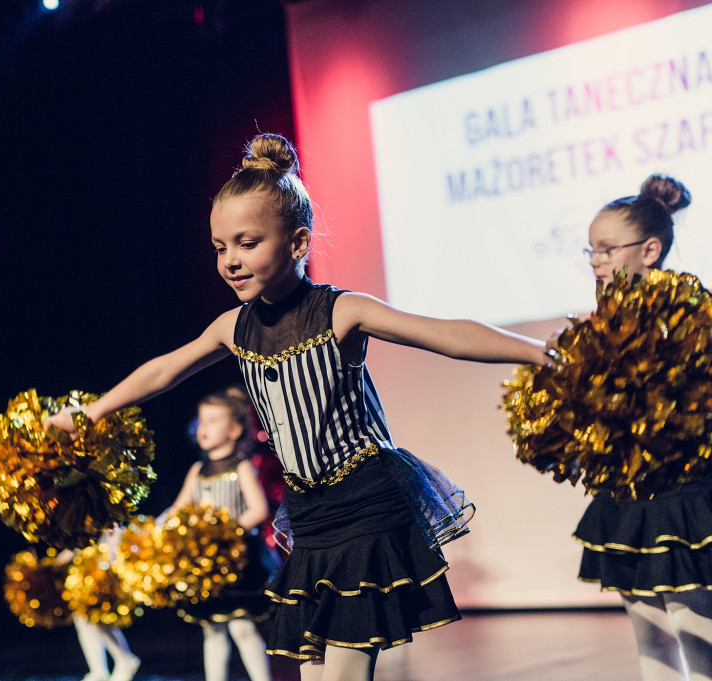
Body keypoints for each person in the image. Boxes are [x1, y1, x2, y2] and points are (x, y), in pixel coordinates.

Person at [47, 133, 547, 681]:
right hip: (309, 518)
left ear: (298, 242)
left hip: (365, 506)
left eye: (247, 243)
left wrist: (538, 353)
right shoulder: (232, 328)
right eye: (219, 248)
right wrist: (91, 413)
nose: (231, 261)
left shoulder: (342, 312)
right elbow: (164, 370)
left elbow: (444, 334)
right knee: (313, 674)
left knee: (342, 674)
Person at [574, 174, 712, 681]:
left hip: (682, 492)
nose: (596, 260)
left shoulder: (692, 310)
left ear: (650, 250)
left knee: (694, 625)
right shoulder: (603, 320)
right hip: (626, 497)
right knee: (649, 629)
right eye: (591, 250)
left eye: (607, 249)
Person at [164, 387, 275, 681]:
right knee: (212, 628)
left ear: (235, 430)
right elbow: (178, 509)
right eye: (202, 420)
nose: (204, 427)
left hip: (238, 561)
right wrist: (159, 526)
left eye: (213, 420)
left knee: (242, 626)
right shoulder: (198, 470)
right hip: (206, 566)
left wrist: (226, 534)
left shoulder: (242, 467)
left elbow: (258, 510)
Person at [57, 526, 141, 681]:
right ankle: (98, 670)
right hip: (89, 562)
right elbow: (85, 535)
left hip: (105, 561)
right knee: (83, 618)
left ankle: (124, 659)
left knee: (97, 617)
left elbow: (112, 528)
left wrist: (109, 557)